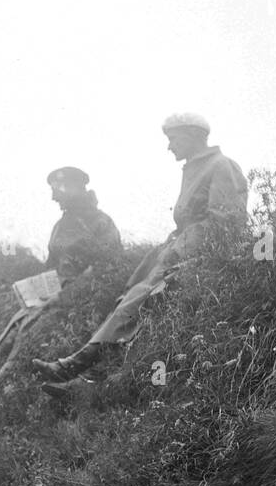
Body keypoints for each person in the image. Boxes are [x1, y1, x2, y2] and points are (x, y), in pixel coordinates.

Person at [33, 114, 247, 392]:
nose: (169, 147)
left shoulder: (221, 165)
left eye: (173, 139)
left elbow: (226, 222)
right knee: (130, 297)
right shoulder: (196, 168)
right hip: (179, 250)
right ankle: (81, 371)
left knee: (143, 303)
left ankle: (83, 376)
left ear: (193, 135)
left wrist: (189, 253)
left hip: (199, 256)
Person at [0, 167, 122, 405]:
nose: (54, 197)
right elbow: (51, 268)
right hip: (53, 293)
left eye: (58, 190)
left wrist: (67, 294)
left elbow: (107, 268)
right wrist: (34, 289)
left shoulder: (101, 222)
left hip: (79, 297)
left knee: (27, 334)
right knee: (16, 323)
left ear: (76, 188)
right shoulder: (61, 225)